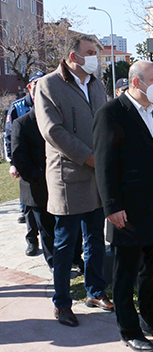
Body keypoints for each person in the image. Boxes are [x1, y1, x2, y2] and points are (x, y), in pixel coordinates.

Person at [94, 60, 153, 352]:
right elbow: (105, 165)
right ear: (136, 83)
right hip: (127, 210)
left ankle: (151, 319)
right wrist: (111, 205)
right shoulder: (112, 113)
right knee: (126, 272)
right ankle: (129, 330)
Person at [35, 34, 113, 327]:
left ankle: (95, 292)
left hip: (97, 176)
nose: (95, 57)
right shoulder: (49, 85)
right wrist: (89, 157)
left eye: (97, 52)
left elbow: (104, 122)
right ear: (72, 56)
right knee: (66, 244)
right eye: (91, 52)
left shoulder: (95, 84)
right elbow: (53, 131)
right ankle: (62, 303)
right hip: (68, 177)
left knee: (95, 237)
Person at [11, 74, 55, 269]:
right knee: (45, 227)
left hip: (59, 182)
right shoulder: (22, 123)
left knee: (63, 227)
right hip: (37, 185)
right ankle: (53, 261)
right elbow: (19, 157)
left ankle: (73, 257)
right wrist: (38, 176)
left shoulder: (57, 119)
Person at [5, 71, 43, 251]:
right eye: (36, 83)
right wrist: (12, 163)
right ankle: (32, 239)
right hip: (25, 162)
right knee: (28, 204)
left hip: (43, 165)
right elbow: (10, 136)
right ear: (30, 87)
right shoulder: (18, 107)